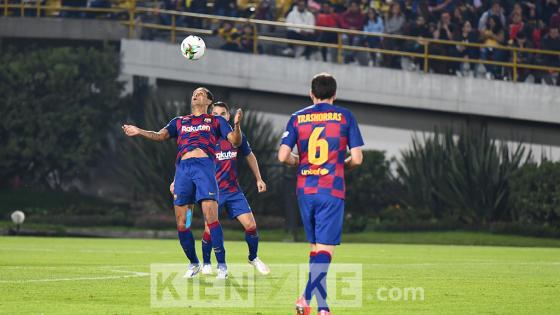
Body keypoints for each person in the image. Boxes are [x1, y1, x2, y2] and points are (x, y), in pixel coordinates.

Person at [122, 87, 243, 280]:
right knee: (182, 223)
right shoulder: (180, 121)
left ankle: (221, 265)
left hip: (204, 169)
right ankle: (194, 263)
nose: (196, 94)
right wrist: (139, 131)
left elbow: (235, 141)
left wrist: (236, 126)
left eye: (202, 93)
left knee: (211, 218)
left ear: (209, 102)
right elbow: (160, 135)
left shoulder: (216, 121)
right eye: (195, 92)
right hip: (183, 171)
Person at [278, 73, 364, 315]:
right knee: (325, 250)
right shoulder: (345, 116)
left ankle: (323, 308)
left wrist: (299, 161)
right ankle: (305, 298)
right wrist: (339, 166)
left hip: (305, 189)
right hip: (331, 188)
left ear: (311, 93)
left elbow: (282, 156)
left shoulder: (297, 117)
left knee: (316, 249)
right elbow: (357, 158)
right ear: (334, 94)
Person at [171, 102, 270, 276]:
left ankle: (253, 257)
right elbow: (186, 159)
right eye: (215, 113)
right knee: (206, 227)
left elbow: (249, 155)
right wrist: (176, 180)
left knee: (251, 226)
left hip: (233, 191)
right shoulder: (204, 137)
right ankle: (206, 263)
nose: (219, 116)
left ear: (228, 116)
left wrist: (259, 178)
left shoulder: (235, 138)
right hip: (210, 190)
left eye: (222, 113)